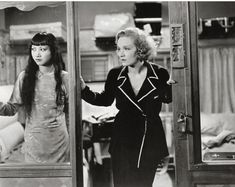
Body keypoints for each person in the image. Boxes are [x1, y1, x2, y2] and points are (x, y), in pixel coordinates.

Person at [81, 27, 172, 187]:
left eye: (126, 48)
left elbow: (169, 98)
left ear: (141, 49)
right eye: (118, 48)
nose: (120, 53)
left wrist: (164, 153)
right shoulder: (115, 75)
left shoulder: (160, 74)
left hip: (149, 141)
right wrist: (84, 90)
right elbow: (104, 100)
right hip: (122, 140)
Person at [0, 32, 69, 163]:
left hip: (59, 142)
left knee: (60, 182)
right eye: (34, 49)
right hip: (34, 144)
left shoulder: (65, 78)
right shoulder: (24, 77)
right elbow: (11, 108)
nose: (37, 54)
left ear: (53, 51)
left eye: (43, 49)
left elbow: (71, 114)